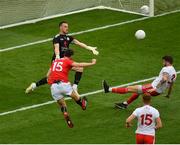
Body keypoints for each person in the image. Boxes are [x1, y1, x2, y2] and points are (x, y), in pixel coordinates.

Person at [25, 21, 99, 94]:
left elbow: (79, 43)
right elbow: (56, 48)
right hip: (57, 61)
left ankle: (74, 87)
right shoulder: (57, 38)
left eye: (67, 27)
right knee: (49, 78)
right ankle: (34, 85)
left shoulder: (68, 37)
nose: (67, 28)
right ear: (60, 27)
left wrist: (90, 48)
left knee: (80, 69)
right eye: (65, 27)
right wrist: (57, 57)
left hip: (65, 61)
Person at [103, 56, 177, 109]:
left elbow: (164, 79)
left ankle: (108, 89)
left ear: (167, 62)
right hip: (158, 90)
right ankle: (124, 104)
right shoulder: (174, 72)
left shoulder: (166, 69)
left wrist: (154, 88)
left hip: (153, 88)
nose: (162, 62)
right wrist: (168, 94)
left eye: (163, 61)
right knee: (137, 92)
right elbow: (171, 84)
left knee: (129, 88)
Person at [48, 49, 96, 128]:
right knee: (75, 96)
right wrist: (92, 63)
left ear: (64, 54)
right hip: (63, 84)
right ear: (71, 56)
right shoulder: (67, 61)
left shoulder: (55, 61)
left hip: (54, 86)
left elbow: (51, 73)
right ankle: (82, 104)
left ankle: (65, 113)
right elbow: (79, 64)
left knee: (62, 105)